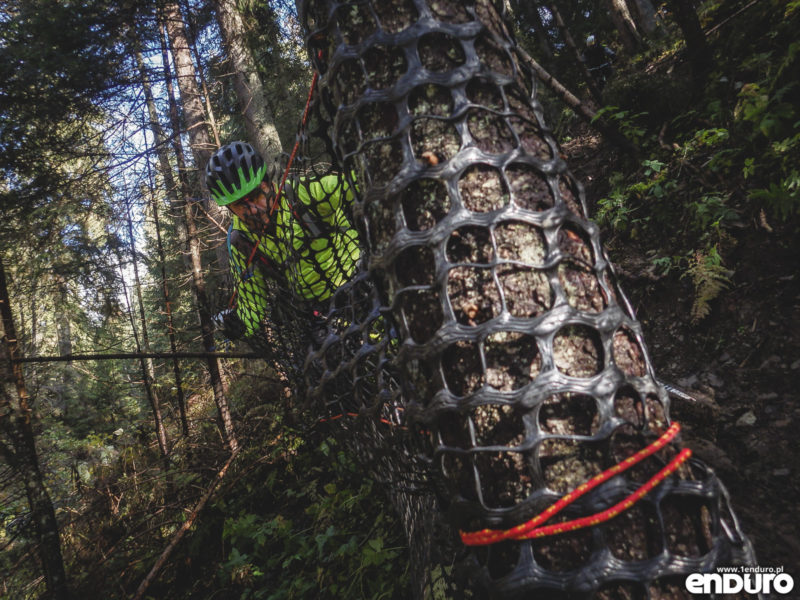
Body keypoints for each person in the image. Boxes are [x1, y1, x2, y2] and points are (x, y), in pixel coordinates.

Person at [205, 141, 360, 341]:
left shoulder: (304, 193)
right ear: (230, 209)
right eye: (240, 205)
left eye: (255, 196)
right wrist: (238, 325)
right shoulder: (241, 241)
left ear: (268, 184)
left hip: (360, 280)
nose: (252, 209)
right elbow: (252, 303)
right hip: (321, 315)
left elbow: (360, 186)